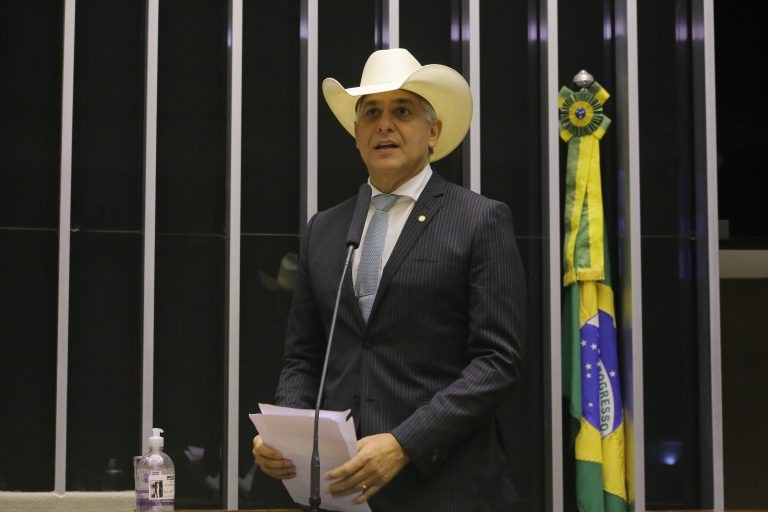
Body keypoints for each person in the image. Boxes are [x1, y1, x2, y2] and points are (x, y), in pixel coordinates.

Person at [253, 48, 526, 512]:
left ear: (433, 132)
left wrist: (404, 444)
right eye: (371, 113)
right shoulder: (324, 230)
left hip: (447, 489)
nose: (384, 125)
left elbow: (497, 361)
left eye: (402, 111)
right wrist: (287, 433)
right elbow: (304, 356)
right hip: (342, 492)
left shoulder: (480, 220)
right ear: (356, 133)